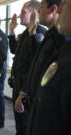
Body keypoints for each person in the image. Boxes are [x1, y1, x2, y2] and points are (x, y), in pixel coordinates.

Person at [26, 0, 71, 134]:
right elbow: (37, 64)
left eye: (66, 2)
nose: (59, 9)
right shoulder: (51, 37)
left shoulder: (60, 41)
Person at [8, 1, 46, 135]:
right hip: (18, 86)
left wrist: (23, 92)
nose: (19, 15)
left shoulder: (39, 33)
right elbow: (14, 51)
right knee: (20, 124)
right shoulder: (25, 33)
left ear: (34, 13)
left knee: (25, 126)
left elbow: (36, 66)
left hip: (26, 90)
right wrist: (11, 31)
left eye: (23, 12)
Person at [25, 0, 64, 110]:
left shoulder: (60, 38)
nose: (38, 10)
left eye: (41, 7)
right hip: (36, 100)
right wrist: (32, 34)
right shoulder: (49, 35)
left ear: (53, 9)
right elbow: (36, 61)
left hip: (47, 106)